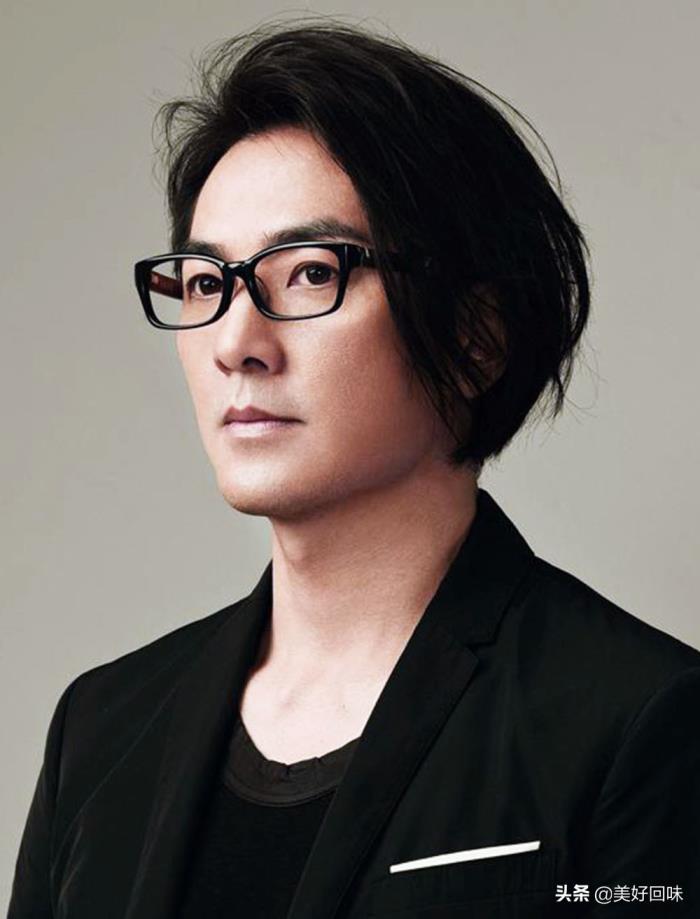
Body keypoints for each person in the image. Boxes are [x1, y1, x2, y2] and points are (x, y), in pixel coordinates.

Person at [8, 18, 700, 919]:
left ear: (475, 339)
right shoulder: (101, 730)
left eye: (308, 272)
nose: (235, 342)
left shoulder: (638, 719)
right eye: (207, 283)